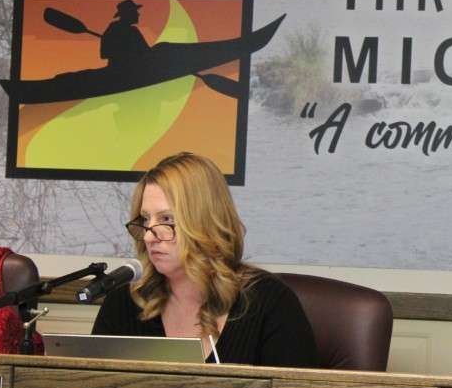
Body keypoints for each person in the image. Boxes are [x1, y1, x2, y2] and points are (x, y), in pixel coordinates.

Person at [92, 152, 318, 368]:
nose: (149, 236)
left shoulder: (269, 302)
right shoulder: (125, 302)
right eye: (144, 219)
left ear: (204, 223)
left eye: (167, 219)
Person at [99, 0, 151, 68]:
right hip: (121, 67)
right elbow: (104, 54)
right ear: (128, 13)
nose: (138, 14)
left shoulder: (132, 30)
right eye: (134, 11)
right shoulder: (119, 29)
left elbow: (146, 51)